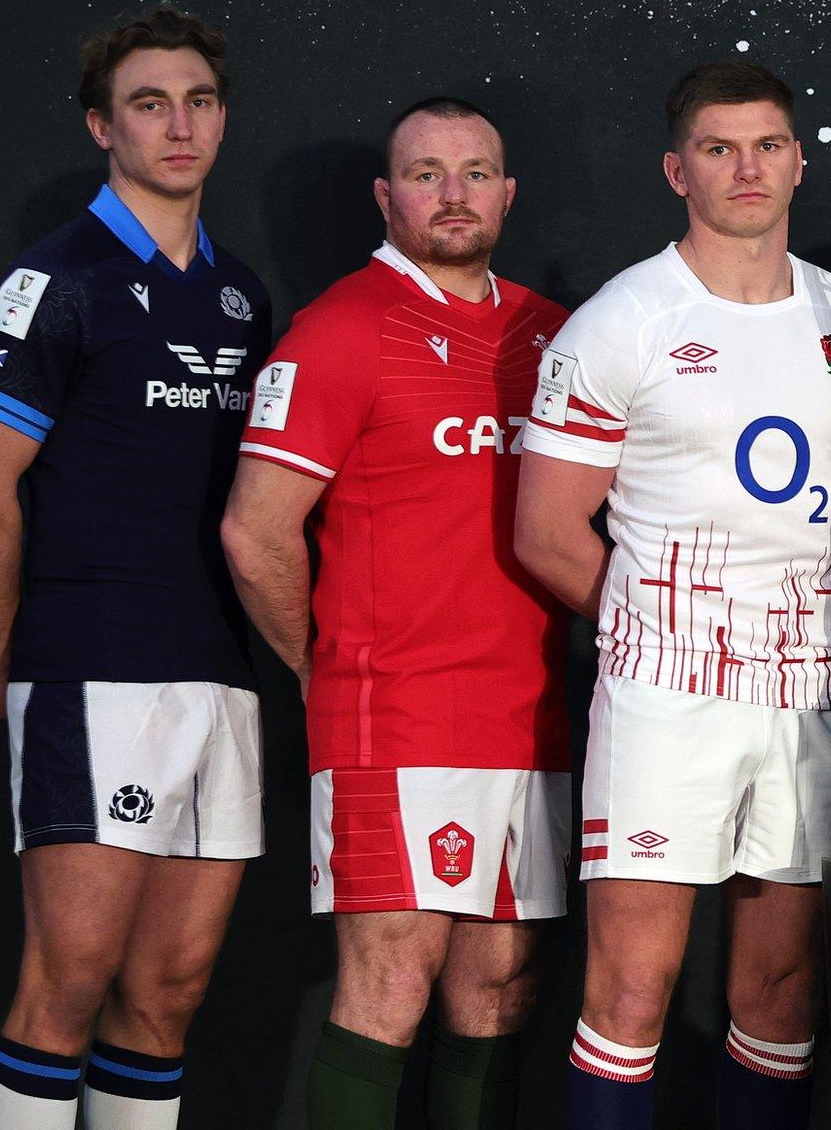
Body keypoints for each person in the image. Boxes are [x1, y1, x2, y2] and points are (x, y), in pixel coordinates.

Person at [512, 61, 831, 1129]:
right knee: (632, 990)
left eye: (767, 145)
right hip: (664, 694)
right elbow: (543, 534)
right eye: (719, 149)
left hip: (810, 687)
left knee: (779, 993)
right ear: (678, 169)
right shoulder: (622, 320)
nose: (746, 168)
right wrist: (661, 628)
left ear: (799, 161)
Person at [218, 97, 572, 1130]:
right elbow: (254, 532)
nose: (452, 194)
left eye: (475, 172)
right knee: (391, 981)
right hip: (395, 720)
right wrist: (321, 667)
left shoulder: (554, 337)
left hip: (532, 719)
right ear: (387, 195)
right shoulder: (340, 330)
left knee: (499, 989)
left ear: (508, 192)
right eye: (426, 174)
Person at [0, 7, 268, 1130]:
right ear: (102, 125)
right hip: (91, 667)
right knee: (68, 983)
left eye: (198, 100)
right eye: (148, 103)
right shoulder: (57, 279)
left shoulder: (240, 296)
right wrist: (9, 647)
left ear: (223, 121)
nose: (177, 125)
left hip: (219, 673)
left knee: (167, 994)